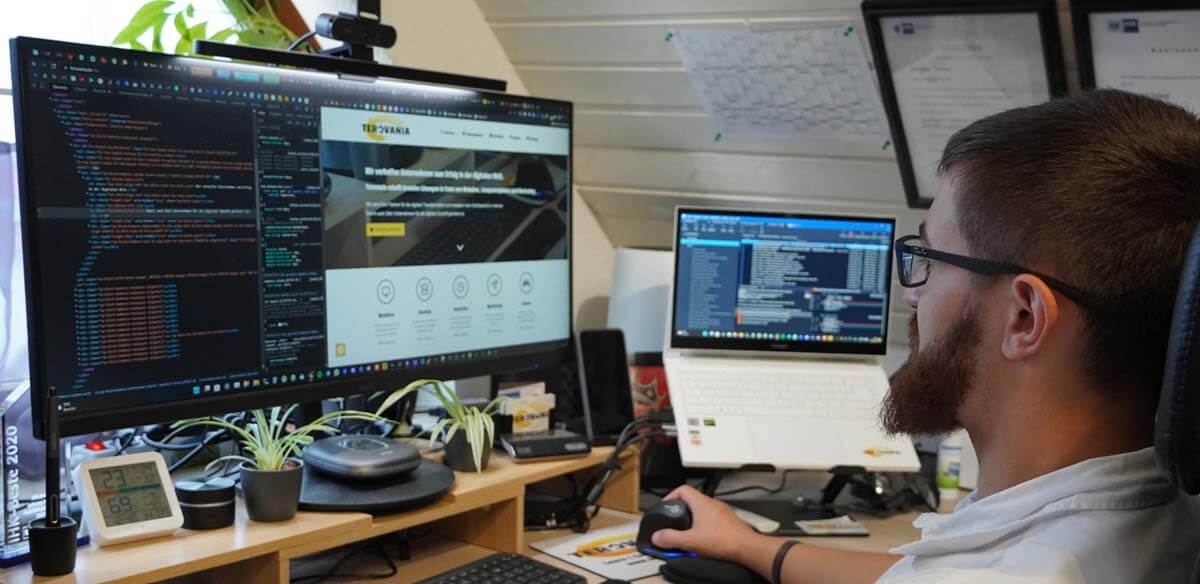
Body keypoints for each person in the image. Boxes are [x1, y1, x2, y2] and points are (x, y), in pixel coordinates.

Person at [651, 89, 1200, 583]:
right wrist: (756, 549)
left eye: (929, 259)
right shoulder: (1160, 507)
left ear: (1024, 318)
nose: (912, 295)